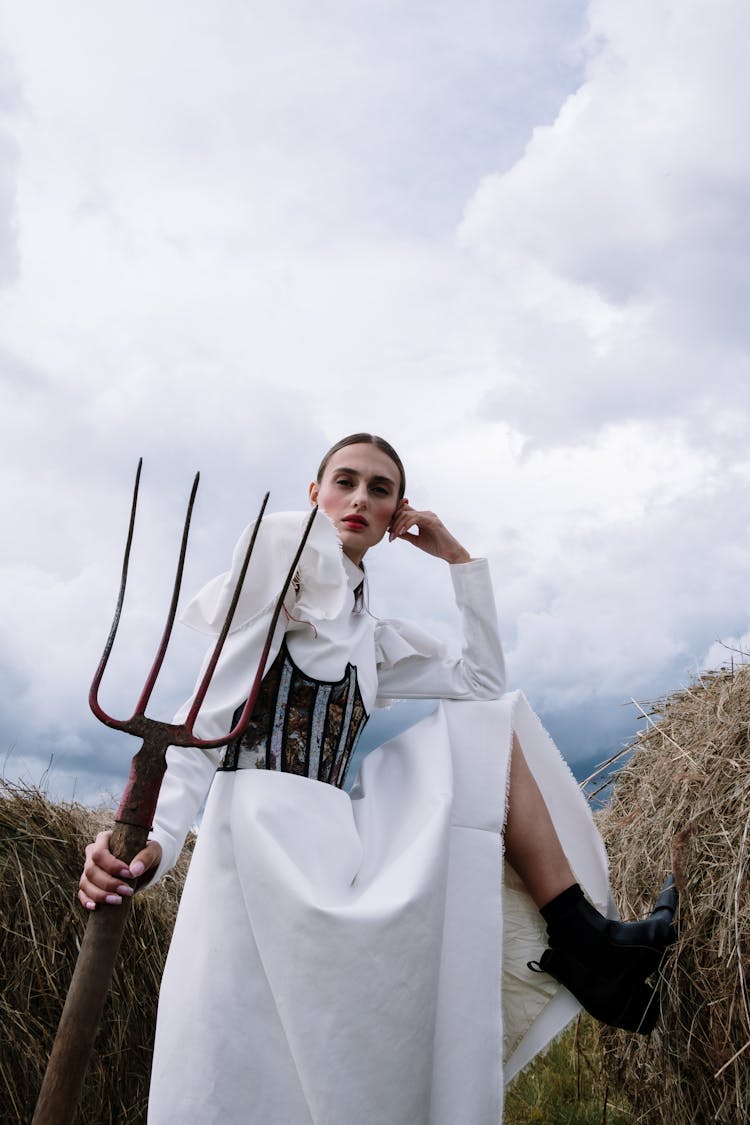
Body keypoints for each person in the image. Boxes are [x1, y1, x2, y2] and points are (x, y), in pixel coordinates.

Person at [79, 434, 675, 1125]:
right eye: (345, 481)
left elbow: (483, 682)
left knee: (490, 728)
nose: (360, 497)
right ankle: (590, 949)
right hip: (259, 849)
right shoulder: (282, 590)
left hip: (333, 844)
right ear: (315, 495)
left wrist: (459, 560)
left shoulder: (368, 634)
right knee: (245, 1056)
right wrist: (154, 844)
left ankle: (584, 942)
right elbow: (194, 734)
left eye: (381, 488)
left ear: (397, 515)